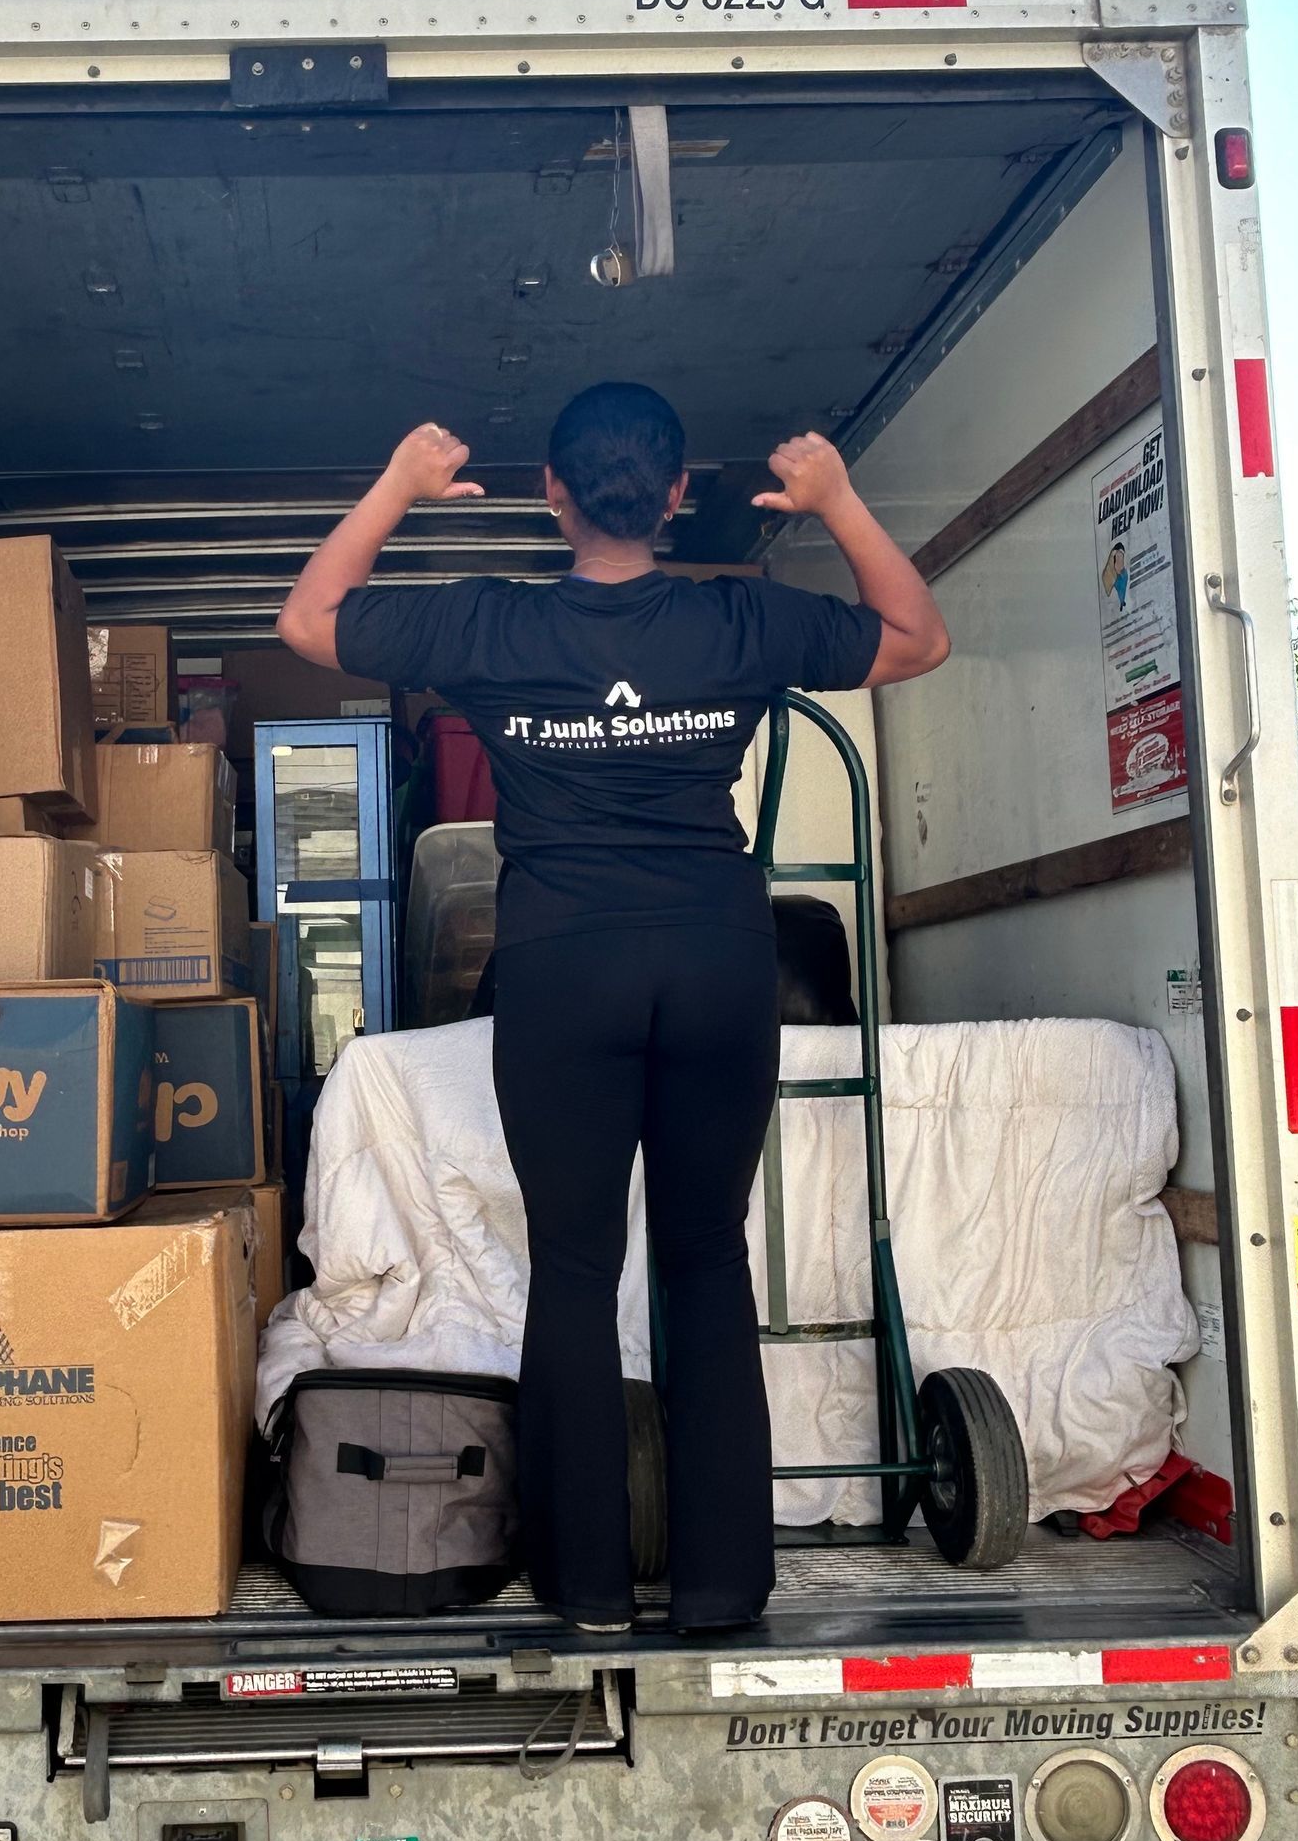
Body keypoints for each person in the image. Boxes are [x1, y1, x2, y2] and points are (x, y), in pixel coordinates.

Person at [277, 383, 949, 1634]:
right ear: (679, 494)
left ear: (554, 495)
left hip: (563, 969)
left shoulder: (491, 624)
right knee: (707, 1260)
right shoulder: (740, 618)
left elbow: (308, 620)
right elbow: (916, 638)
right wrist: (838, 500)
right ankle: (722, 1585)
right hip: (716, 962)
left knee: (575, 1272)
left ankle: (587, 1588)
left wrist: (400, 484)